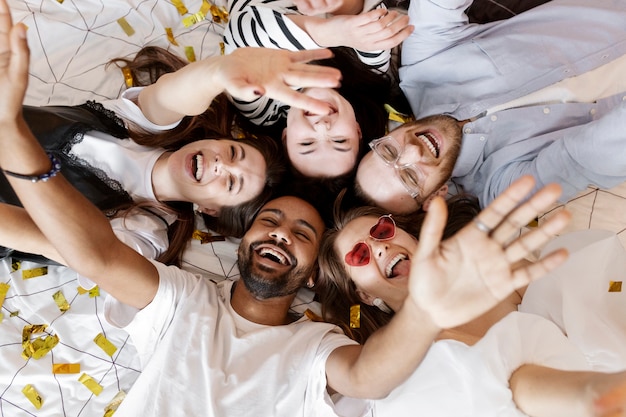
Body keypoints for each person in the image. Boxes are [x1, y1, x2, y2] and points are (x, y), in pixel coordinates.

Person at [0, 3, 576, 413]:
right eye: (272, 221)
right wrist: (15, 141)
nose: (280, 233)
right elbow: (95, 254)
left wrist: (423, 312)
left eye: (303, 231)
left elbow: (368, 378)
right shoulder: (180, 297)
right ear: (238, 234)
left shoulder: (315, 345)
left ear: (313, 272)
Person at [0, 41, 345, 265]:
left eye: (230, 184)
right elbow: (172, 95)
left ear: (209, 209)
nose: (221, 164)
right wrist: (222, 71)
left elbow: (54, 243)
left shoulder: (143, 233)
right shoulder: (141, 126)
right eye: (233, 152)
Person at [316, 194, 626, 417]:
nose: (380, 246)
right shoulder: (400, 368)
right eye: (360, 255)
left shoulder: (498, 271)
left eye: (381, 231)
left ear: (412, 236)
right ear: (365, 295)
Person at [354, 0, 626, 215]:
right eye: (411, 177)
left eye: (389, 151)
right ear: (436, 196)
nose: (412, 150)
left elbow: (437, 4)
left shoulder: (422, 66)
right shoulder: (499, 188)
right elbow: (581, 159)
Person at [223, 0, 413, 180]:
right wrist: (340, 7)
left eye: (307, 143)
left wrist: (330, 33)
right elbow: (371, 19)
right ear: (357, 131)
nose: (322, 127)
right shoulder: (370, 75)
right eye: (340, 141)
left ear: (286, 137)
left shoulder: (263, 110)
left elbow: (242, 30)